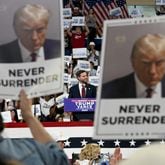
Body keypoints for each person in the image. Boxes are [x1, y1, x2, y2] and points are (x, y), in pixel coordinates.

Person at [0, 89, 69, 165]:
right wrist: (28, 116)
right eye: (61, 142)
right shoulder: (27, 149)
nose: (63, 144)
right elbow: (59, 160)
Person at [102, 34, 165, 98]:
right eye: (146, 63)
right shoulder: (106, 93)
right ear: (133, 62)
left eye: (159, 63)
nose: (152, 71)